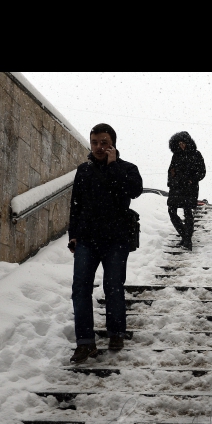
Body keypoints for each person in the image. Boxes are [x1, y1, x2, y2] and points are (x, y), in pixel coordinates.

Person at [67, 123, 143, 363]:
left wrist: (112, 167)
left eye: (103, 142)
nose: (99, 147)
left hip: (116, 239)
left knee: (113, 287)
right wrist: (73, 234)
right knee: (80, 288)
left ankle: (116, 332)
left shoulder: (127, 169)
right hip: (88, 239)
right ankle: (85, 342)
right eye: (95, 142)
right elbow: (75, 204)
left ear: (113, 144)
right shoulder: (84, 170)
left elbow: (134, 191)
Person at [167, 131, 206, 250]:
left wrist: (192, 180)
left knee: (187, 212)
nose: (182, 145)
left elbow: (202, 172)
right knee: (172, 211)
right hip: (176, 188)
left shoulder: (196, 154)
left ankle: (188, 240)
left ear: (188, 142)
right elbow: (170, 170)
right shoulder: (176, 155)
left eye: (183, 143)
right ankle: (185, 235)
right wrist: (171, 182)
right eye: (179, 143)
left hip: (190, 188)